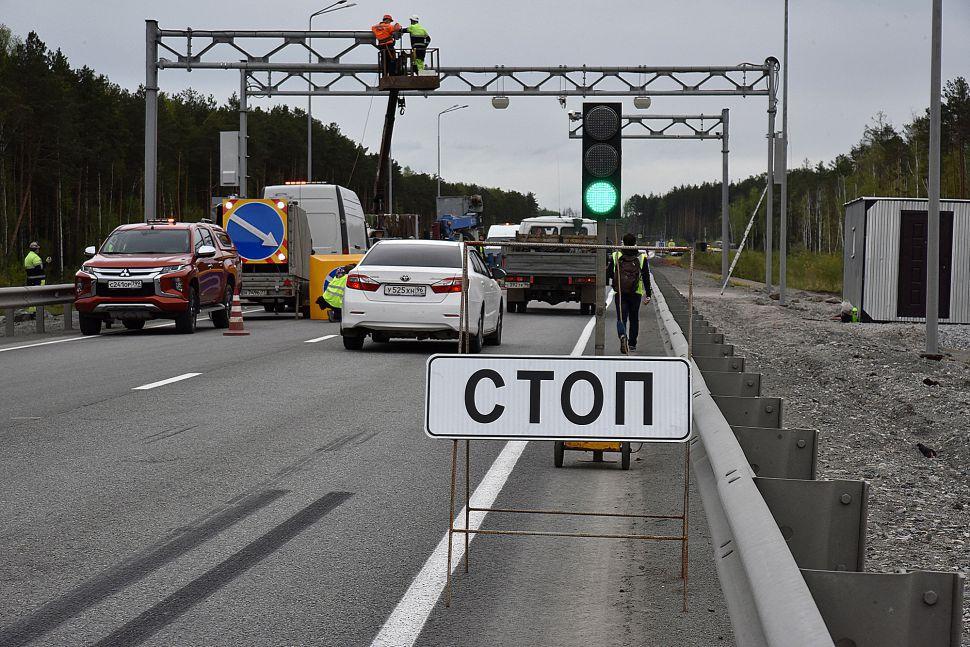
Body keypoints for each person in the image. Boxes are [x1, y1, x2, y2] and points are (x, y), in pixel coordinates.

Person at [607, 233, 651, 353]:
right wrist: (648, 294)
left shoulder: (616, 255)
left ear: (623, 243)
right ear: (635, 243)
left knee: (621, 318)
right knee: (634, 318)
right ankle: (632, 344)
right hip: (636, 292)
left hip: (620, 292)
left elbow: (609, 273)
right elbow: (646, 277)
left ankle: (622, 335)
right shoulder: (641, 257)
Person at [24, 241, 51, 318]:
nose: (38, 250)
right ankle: (38, 313)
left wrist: (45, 262)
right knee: (39, 296)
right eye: (38, 248)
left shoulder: (27, 257)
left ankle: (32, 312)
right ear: (35, 249)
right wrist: (46, 263)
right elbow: (40, 269)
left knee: (31, 296)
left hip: (30, 280)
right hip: (38, 280)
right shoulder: (35, 257)